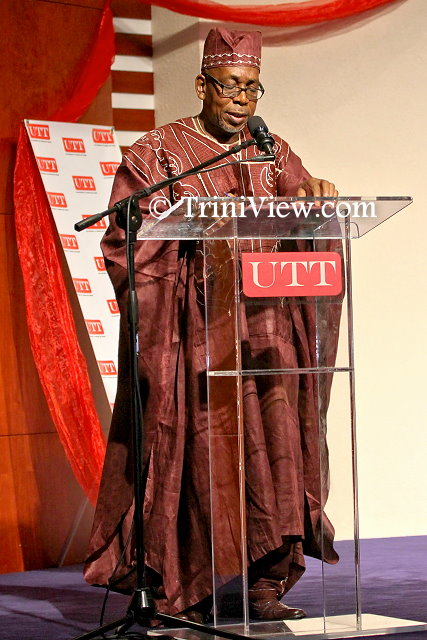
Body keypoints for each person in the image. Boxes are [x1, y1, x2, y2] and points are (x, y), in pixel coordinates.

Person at [84, 27, 341, 624]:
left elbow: (304, 201)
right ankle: (184, 589)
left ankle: (266, 581)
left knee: (277, 448)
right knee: (197, 454)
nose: (242, 100)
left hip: (266, 332)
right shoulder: (158, 153)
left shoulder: (270, 150)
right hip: (194, 339)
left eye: (252, 88)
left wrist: (316, 197)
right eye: (230, 86)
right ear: (202, 85)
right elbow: (128, 239)